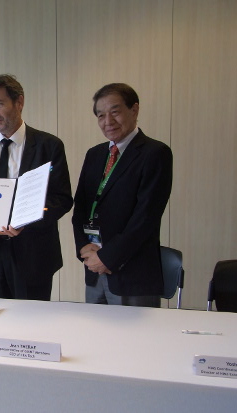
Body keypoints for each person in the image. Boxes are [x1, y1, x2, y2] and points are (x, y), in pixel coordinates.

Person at [0, 74, 73, 301]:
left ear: (19, 102)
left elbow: (62, 199)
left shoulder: (48, 146)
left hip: (33, 254)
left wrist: (27, 222)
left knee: (32, 326)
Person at [72, 83, 173, 307]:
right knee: (96, 338)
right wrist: (83, 248)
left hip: (132, 273)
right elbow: (80, 207)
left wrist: (107, 258)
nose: (108, 121)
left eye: (115, 112)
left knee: (135, 341)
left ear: (134, 110)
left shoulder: (155, 153)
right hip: (94, 270)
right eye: (101, 115)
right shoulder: (95, 154)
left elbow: (145, 217)